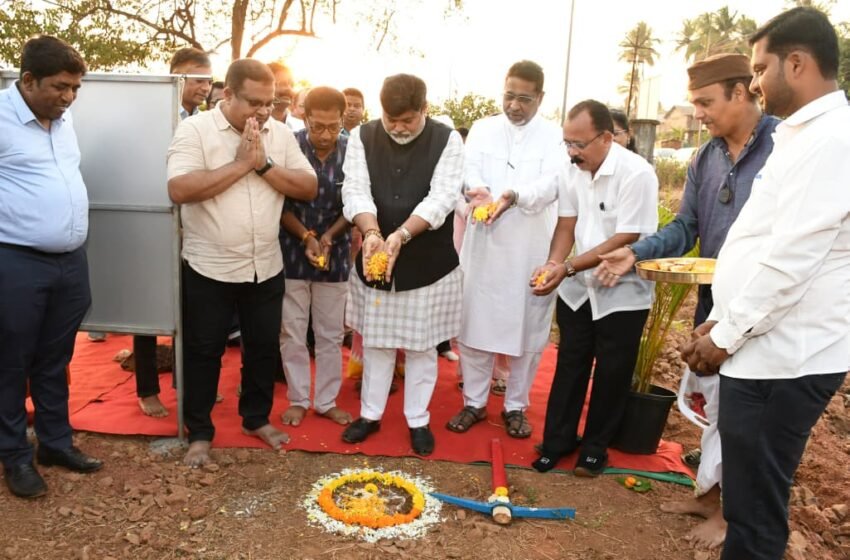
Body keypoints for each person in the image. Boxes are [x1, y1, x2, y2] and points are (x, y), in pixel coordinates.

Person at [681, 8, 850, 560]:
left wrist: (726, 336)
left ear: (796, 63)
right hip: (765, 346)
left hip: (788, 355)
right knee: (750, 503)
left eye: (760, 68)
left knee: (754, 508)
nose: (755, 82)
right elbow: (765, 242)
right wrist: (722, 317)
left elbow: (792, 258)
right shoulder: (804, 135)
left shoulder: (831, 140)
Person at [596, 53, 778, 549]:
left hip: (765, 309)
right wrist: (633, 252)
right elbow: (684, 229)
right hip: (711, 303)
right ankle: (710, 494)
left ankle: (731, 515)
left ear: (741, 92)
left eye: (705, 102)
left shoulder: (784, 147)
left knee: (748, 416)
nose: (697, 112)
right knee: (719, 406)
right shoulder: (707, 157)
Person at [166, 59, 317, 467]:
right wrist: (240, 164)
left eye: (270, 102)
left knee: (263, 347)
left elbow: (307, 186)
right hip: (208, 265)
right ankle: (199, 432)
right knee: (203, 350)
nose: (264, 111)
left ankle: (255, 418)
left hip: (265, 264)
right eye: (254, 102)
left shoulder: (280, 134)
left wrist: (264, 164)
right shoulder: (194, 130)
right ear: (227, 94)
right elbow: (179, 188)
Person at [529, 99, 658, 477]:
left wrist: (568, 266)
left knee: (612, 371)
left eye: (579, 144)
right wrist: (555, 263)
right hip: (577, 287)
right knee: (570, 362)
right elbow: (566, 225)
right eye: (567, 143)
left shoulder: (637, 173)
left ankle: (595, 448)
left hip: (621, 289)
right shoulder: (571, 170)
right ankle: (557, 441)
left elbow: (627, 235)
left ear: (605, 137)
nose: (572, 152)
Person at [0, 36, 103, 499]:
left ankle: (55, 444)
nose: (68, 96)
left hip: (69, 263)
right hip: (15, 261)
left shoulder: (63, 120)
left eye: (75, 88)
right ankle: (15, 456)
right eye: (60, 86)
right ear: (27, 80)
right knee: (10, 362)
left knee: (54, 359)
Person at [341, 74, 463, 456]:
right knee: (375, 341)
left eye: (408, 120)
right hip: (376, 256)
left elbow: (442, 198)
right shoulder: (363, 136)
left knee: (422, 346)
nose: (398, 128)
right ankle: (370, 414)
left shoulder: (448, 139)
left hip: (428, 264)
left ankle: (417, 419)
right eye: (391, 120)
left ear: (425, 110)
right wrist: (373, 232)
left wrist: (402, 235)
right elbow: (355, 189)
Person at [447, 60, 564, 439]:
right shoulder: (481, 129)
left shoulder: (553, 136)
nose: (514, 105)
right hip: (484, 243)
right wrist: (480, 191)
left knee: (527, 330)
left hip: (529, 244)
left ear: (540, 98)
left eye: (524, 99)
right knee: (476, 323)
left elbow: (551, 185)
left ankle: (515, 407)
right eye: (509, 95)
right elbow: (468, 169)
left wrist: (514, 196)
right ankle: (475, 403)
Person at [133, 47, 214, 419]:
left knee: (192, 311)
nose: (205, 86)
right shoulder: (152, 118)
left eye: (209, 80)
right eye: (198, 79)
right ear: (177, 76)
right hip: (153, 222)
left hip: (193, 228)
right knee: (149, 310)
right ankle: (147, 390)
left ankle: (187, 385)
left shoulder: (205, 122)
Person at [278, 87, 352, 427]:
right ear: (304, 117)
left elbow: (356, 203)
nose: (325, 135)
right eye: (317, 126)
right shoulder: (287, 146)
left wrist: (328, 237)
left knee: (330, 333)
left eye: (333, 127)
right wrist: (306, 236)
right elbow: (275, 203)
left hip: (334, 253)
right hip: (291, 250)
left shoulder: (354, 153)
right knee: (292, 331)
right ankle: (298, 399)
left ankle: (325, 400)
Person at [171, 47, 212, 120]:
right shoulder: (157, 116)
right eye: (199, 81)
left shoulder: (206, 121)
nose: (206, 88)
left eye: (210, 82)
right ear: (177, 78)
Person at [267, 62, 304, 132]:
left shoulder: (301, 129)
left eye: (291, 84)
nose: (289, 89)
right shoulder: (250, 125)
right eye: (283, 83)